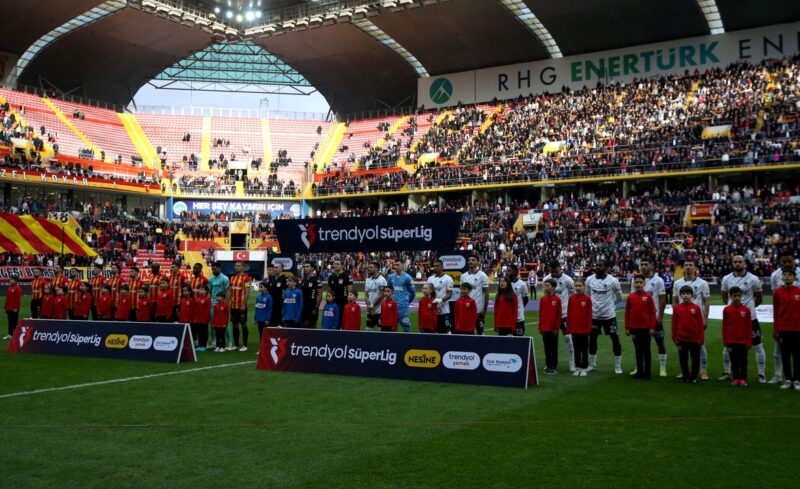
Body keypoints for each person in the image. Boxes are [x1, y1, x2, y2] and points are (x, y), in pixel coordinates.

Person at [720, 255, 765, 383]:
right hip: (733, 319)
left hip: (750, 318)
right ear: (732, 263)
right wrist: (733, 310)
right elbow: (724, 297)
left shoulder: (753, 279)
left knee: (757, 345)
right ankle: (726, 372)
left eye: (740, 262)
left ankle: (761, 374)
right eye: (735, 262)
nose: (738, 264)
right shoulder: (726, 279)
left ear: (744, 263)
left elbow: (759, 298)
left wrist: (747, 309)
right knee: (728, 346)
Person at [673, 258, 711, 380]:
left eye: (690, 265)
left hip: (696, 320)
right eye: (686, 265)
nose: (688, 267)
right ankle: (684, 371)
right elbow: (675, 301)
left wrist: (705, 318)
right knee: (682, 348)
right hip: (683, 320)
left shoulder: (703, 283)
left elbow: (706, 302)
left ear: (695, 268)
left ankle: (703, 371)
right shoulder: (677, 283)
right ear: (683, 268)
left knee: (700, 345)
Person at [585, 261, 624, 373]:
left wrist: (611, 305)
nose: (597, 267)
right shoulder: (589, 280)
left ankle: (617, 365)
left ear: (606, 267)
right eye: (596, 265)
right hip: (594, 316)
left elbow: (619, 297)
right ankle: (592, 364)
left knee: (615, 339)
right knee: (592, 339)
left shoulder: (613, 281)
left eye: (600, 265)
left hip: (609, 316)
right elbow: (587, 296)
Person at [768, 250, 800, 384]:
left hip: (797, 321)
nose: (787, 264)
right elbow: (776, 299)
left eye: (789, 261)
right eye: (784, 261)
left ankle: (797, 378)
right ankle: (778, 375)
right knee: (779, 351)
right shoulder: (775, 275)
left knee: (797, 353)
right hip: (783, 322)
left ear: (794, 261)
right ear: (780, 261)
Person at [543, 261, 576, 372]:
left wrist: (571, 310)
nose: (554, 274)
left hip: (564, 314)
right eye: (552, 272)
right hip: (552, 316)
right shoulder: (546, 279)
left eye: (556, 272)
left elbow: (573, 295)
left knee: (568, 339)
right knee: (551, 341)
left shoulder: (568, 280)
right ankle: (550, 363)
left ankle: (572, 362)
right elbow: (546, 297)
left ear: (560, 268)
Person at [639, 257, 668, 377]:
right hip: (640, 319)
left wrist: (660, 316)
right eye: (642, 264)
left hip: (654, 318)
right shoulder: (636, 280)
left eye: (646, 264)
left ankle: (662, 368)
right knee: (640, 345)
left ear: (651, 265)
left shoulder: (658, 280)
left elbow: (662, 300)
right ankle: (639, 367)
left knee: (659, 342)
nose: (643, 267)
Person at [625, 274, 657, 380]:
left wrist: (652, 327)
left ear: (644, 284)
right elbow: (627, 313)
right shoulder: (630, 297)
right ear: (633, 284)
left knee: (646, 350)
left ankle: (647, 373)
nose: (638, 284)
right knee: (638, 350)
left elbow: (653, 312)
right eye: (636, 282)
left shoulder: (647, 296)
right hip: (634, 328)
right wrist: (627, 327)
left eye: (640, 282)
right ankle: (639, 371)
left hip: (646, 328)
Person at [672, 285, 705, 383]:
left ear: (691, 295)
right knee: (683, 359)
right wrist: (674, 336)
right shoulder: (677, 308)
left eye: (688, 294)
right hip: (681, 338)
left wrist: (701, 338)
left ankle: (693, 376)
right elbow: (674, 323)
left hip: (694, 339)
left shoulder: (696, 308)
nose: (685, 296)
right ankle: (685, 376)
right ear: (680, 295)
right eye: (683, 294)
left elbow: (700, 324)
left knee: (695, 359)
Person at [773, 269, 800, 391]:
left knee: (797, 355)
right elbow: (776, 311)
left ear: (795, 278)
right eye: (785, 275)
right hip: (783, 329)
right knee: (785, 355)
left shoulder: (798, 291)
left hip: (797, 329)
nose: (787, 277)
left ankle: (797, 379)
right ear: (782, 278)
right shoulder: (778, 292)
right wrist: (776, 329)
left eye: (790, 275)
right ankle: (788, 379)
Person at [722, 286, 752, 387]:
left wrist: (749, 341)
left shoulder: (746, 310)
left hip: (743, 341)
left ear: (742, 297)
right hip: (731, 341)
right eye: (735, 296)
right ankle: (736, 378)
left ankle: (743, 378)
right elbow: (725, 326)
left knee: (743, 361)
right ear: (730, 297)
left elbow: (749, 326)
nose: (737, 298)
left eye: (739, 296)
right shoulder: (727, 310)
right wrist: (725, 340)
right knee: (734, 361)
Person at [567, 278, 592, 377]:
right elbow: (569, 313)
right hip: (574, 329)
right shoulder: (571, 298)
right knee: (576, 349)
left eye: (579, 286)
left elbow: (590, 314)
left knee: (584, 349)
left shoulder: (587, 299)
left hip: (584, 329)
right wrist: (569, 327)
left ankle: (584, 368)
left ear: (584, 287)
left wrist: (588, 328)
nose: (577, 288)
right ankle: (577, 367)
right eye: (576, 286)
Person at [461, 254, 490, 335]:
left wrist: (484, 310)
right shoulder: (463, 276)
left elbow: (486, 293)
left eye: (473, 260)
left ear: (478, 262)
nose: (471, 261)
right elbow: (461, 294)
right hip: (466, 309)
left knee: (480, 333)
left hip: (479, 310)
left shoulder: (482, 276)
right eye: (469, 260)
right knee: (467, 332)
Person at [539, 278, 562, 374]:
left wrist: (556, 328)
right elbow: (541, 314)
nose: (545, 287)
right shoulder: (543, 299)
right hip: (544, 328)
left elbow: (558, 315)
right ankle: (548, 365)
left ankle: (554, 366)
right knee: (547, 348)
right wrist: (540, 327)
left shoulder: (557, 299)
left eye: (547, 285)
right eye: (545, 285)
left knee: (553, 348)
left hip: (553, 329)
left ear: (553, 287)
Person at [426, 259, 454, 334]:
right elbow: (427, 293)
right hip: (433, 311)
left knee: (447, 332)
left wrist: (440, 300)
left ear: (442, 267)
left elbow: (449, 294)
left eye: (437, 266)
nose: (435, 267)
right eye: (434, 266)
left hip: (444, 311)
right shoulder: (430, 279)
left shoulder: (448, 279)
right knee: (434, 333)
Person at [387, 261, 416, 333]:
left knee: (406, 328)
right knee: (391, 327)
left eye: (398, 265)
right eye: (395, 265)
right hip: (392, 307)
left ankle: (408, 343)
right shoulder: (390, 277)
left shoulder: (407, 277)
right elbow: (388, 290)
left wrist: (407, 302)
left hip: (403, 308)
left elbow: (413, 293)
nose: (396, 267)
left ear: (402, 265)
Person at [230, 261, 251, 352]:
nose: (236, 267)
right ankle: (236, 344)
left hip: (241, 306)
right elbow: (230, 292)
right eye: (236, 266)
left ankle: (245, 345)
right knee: (235, 325)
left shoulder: (246, 278)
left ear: (243, 267)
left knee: (243, 324)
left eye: (238, 266)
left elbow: (247, 292)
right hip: (233, 306)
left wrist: (243, 304)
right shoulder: (232, 278)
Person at [208, 262, 230, 348]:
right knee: (213, 323)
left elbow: (228, 291)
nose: (213, 270)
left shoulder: (225, 278)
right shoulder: (211, 279)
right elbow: (209, 291)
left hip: (222, 305)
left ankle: (229, 342)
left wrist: (226, 303)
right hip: (213, 304)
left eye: (215, 269)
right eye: (212, 269)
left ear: (219, 268)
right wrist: (209, 301)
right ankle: (214, 342)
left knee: (225, 324)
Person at [327, 259, 353, 329]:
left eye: (338, 264)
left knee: (343, 321)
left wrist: (349, 302)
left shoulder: (347, 276)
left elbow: (350, 290)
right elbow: (330, 290)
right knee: (334, 322)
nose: (335, 265)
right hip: (334, 302)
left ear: (342, 266)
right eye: (335, 264)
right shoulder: (331, 277)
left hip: (343, 302)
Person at [507, 264, 529, 337]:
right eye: (507, 271)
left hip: (519, 317)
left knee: (520, 339)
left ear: (515, 272)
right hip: (507, 317)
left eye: (509, 271)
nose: (507, 272)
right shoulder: (505, 283)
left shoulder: (522, 284)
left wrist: (519, 308)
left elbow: (525, 299)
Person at [365, 262, 387, 331]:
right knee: (368, 330)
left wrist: (373, 305)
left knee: (380, 331)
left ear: (376, 268)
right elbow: (366, 295)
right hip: (370, 310)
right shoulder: (368, 280)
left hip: (380, 310)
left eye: (371, 267)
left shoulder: (382, 280)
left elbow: (382, 295)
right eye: (369, 267)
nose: (369, 269)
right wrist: (368, 306)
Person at [300, 262, 322, 328]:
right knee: (304, 326)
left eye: (307, 266)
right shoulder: (303, 281)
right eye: (304, 267)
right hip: (304, 307)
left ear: (312, 268)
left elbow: (319, 295)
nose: (305, 268)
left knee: (312, 326)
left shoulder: (317, 280)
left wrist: (316, 307)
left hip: (312, 307)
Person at [192, 285, 211, 352]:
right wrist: (194, 318)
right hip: (198, 319)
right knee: (199, 333)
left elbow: (208, 310)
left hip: (204, 319)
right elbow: (195, 309)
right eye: (199, 289)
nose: (200, 291)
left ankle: (204, 346)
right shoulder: (198, 298)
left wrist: (206, 319)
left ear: (206, 291)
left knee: (204, 333)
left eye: (202, 289)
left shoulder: (207, 299)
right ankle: (200, 346)